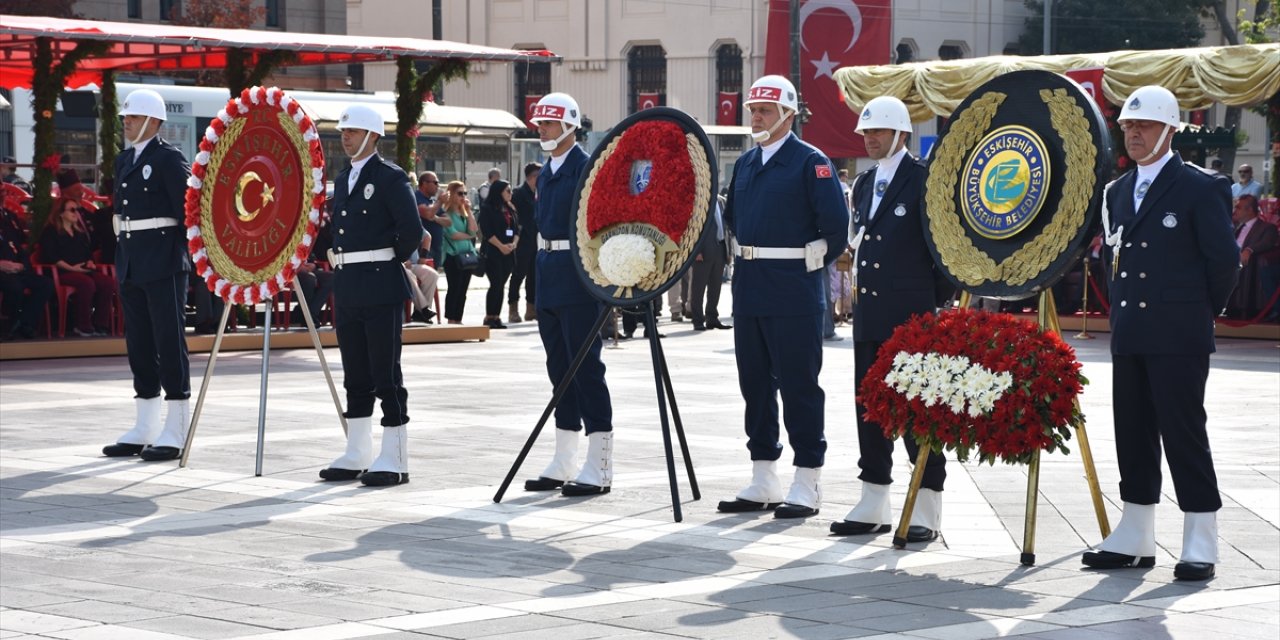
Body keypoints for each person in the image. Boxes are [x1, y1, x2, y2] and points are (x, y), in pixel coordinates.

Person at [1083, 85, 1240, 581]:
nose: (1133, 133)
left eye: (1145, 125)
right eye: (1128, 125)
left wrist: (1197, 314)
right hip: (1131, 331)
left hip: (1179, 332)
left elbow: (1224, 263)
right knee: (1132, 433)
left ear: (1170, 130)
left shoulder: (1200, 186)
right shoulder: (1115, 191)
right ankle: (1136, 532)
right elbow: (1115, 261)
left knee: (1183, 433)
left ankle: (1200, 538)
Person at [716, 75, 849, 519]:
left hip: (792, 291)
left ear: (789, 115)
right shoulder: (747, 164)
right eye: (753, 109)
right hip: (751, 290)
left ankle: (807, 479)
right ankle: (763, 476)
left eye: (766, 110)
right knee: (753, 384)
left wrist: (806, 262)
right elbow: (734, 220)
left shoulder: (811, 163)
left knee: (798, 386)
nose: (756, 116)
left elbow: (835, 229)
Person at [829, 95, 952, 542]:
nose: (870, 138)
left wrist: (927, 305)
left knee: (918, 412)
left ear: (901, 133)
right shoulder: (863, 184)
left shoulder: (924, 181)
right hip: (870, 315)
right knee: (870, 409)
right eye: (866, 132)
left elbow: (943, 255)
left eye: (878, 131)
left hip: (912, 317)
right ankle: (874, 497)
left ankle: (926, 505)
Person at [317, 104, 422, 487]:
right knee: (355, 372)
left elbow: (410, 231)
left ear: (374, 136)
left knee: (385, 372)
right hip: (348, 284)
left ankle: (394, 456)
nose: (346, 137)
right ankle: (357, 451)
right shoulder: (343, 180)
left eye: (354, 131)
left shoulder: (390, 178)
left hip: (380, 283)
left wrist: (384, 258)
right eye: (344, 131)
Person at [521, 92, 617, 498]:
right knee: (559, 370)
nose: (541, 130)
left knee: (586, 371)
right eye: (539, 124)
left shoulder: (586, 168)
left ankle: (599, 460)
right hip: (549, 276)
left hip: (578, 280)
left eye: (548, 123)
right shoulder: (546, 171)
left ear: (569, 126)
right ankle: (564, 456)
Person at [101, 89, 194, 462]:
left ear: (154, 123)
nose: (127, 123)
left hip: (164, 259)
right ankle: (145, 424)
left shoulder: (169, 160)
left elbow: (188, 214)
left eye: (134, 118)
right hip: (132, 258)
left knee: (169, 342)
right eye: (126, 118)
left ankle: (177, 425)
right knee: (139, 342)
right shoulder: (124, 160)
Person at [38, 196, 118, 337]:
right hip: (63, 272)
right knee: (86, 283)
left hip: (83, 270)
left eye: (78, 210)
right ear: (61, 213)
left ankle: (101, 324)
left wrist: (90, 263)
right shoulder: (51, 231)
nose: (77, 213)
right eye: (72, 210)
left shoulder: (79, 233)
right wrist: (72, 268)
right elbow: (52, 257)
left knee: (107, 282)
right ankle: (82, 325)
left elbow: (88, 254)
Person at [0, 213, 53, 341]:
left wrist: (21, 266)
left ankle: (24, 322)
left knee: (45, 283)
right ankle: (10, 325)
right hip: (2, 274)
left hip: (18, 272)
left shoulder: (7, 233)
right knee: (15, 287)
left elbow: (22, 254)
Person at [1226, 195, 1278, 319]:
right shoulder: (1235, 229)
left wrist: (1249, 250)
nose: (1234, 211)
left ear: (1249, 210)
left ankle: (1245, 308)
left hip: (1247, 263)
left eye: (1238, 208)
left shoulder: (1266, 228)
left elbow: (1267, 242)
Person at [478, 179, 520, 329]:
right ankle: (489, 316)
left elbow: (516, 229)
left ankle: (496, 316)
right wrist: (501, 246)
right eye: (508, 191)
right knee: (495, 283)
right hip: (493, 251)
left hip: (508, 252)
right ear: (499, 192)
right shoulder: (487, 208)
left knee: (502, 284)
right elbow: (487, 231)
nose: (510, 193)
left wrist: (513, 243)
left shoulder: (510, 208)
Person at [437, 180, 479, 325]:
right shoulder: (446, 214)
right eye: (460, 193)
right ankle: (451, 319)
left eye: (465, 193)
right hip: (452, 256)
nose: (463, 196)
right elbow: (453, 234)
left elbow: (474, 231)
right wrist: (467, 235)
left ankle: (458, 318)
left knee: (463, 290)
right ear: (452, 194)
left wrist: (470, 212)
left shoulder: (464, 213)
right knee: (454, 288)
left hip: (467, 256)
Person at [689, 195, 731, 332]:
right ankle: (698, 320)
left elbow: (725, 227)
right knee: (698, 288)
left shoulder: (720, 201)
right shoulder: (699, 199)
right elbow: (693, 227)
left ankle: (712, 318)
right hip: (703, 250)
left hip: (719, 248)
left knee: (715, 287)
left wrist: (728, 251)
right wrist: (697, 251)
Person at [508, 162, 540, 324]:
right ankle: (513, 308)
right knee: (518, 274)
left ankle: (531, 308)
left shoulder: (540, 193)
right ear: (531, 177)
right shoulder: (519, 194)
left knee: (533, 275)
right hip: (522, 240)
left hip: (537, 240)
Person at [414, 171, 445, 269]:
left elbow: (448, 221)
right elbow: (427, 214)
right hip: (424, 249)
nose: (438, 186)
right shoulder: (416, 197)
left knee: (433, 279)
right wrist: (440, 202)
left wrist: (434, 217)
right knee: (425, 281)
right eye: (435, 182)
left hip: (436, 248)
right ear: (424, 183)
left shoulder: (433, 201)